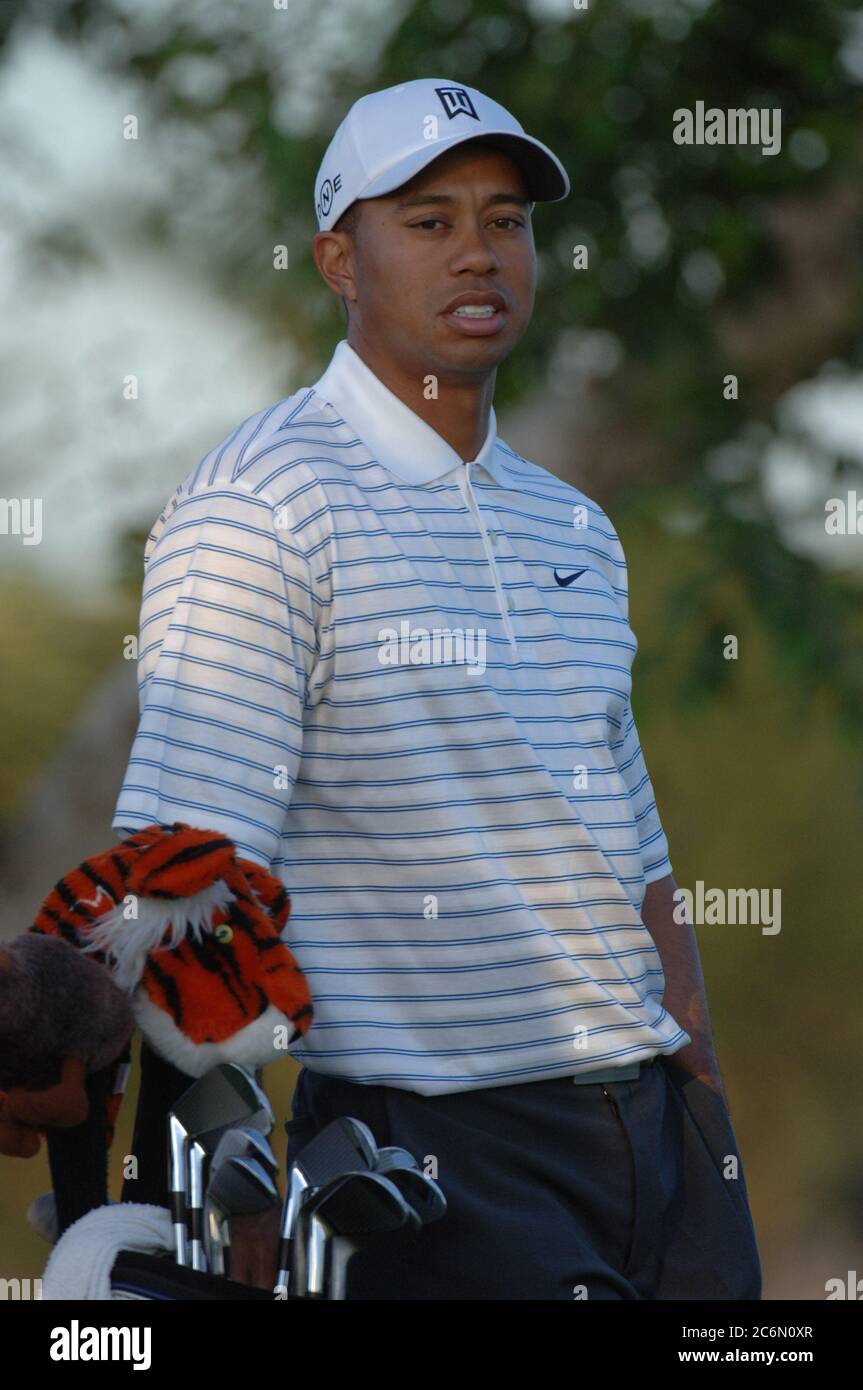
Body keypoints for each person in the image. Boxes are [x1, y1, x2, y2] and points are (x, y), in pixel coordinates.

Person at [113, 78, 762, 1299]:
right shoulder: (259, 507)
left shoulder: (569, 519)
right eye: (427, 220)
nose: (478, 251)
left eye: (503, 220)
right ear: (337, 260)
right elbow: (182, 857)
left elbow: (629, 837)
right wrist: (222, 1145)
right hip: (434, 1159)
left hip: (649, 1144)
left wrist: (700, 1091)